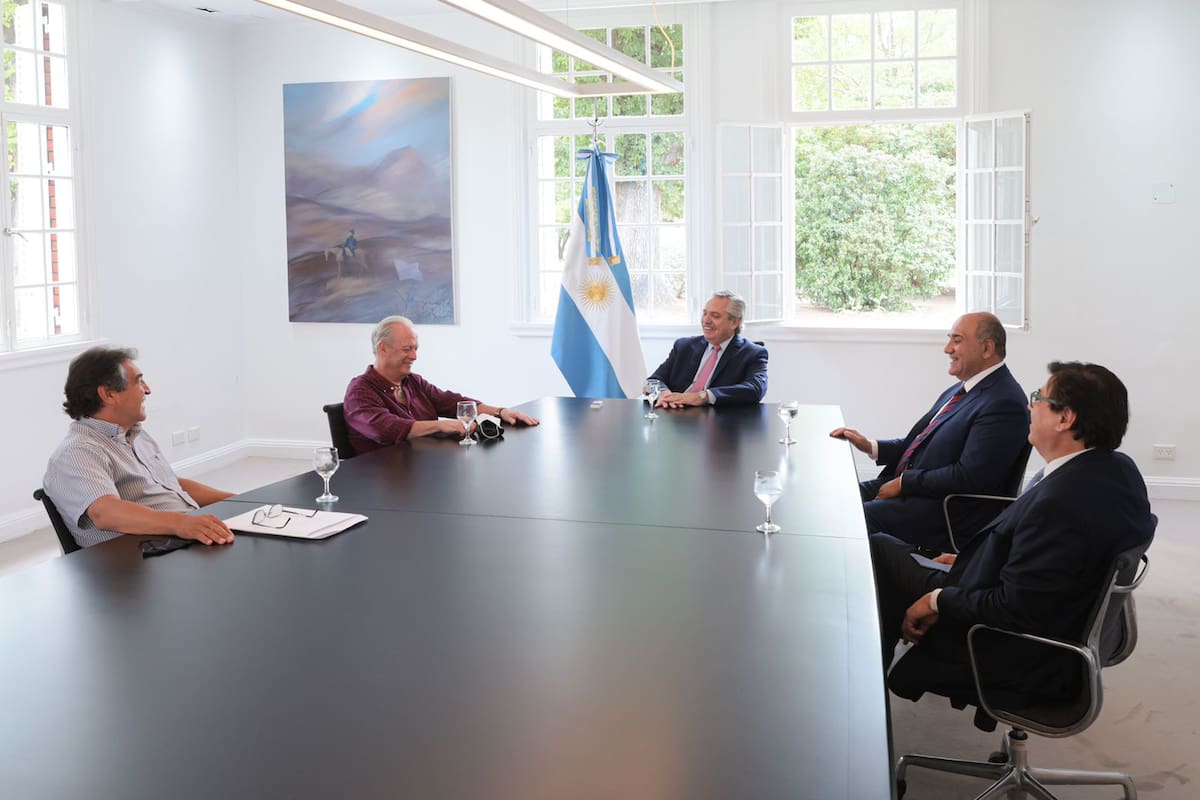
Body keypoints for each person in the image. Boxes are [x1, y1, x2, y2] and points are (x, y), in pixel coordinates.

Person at [871, 361, 1155, 703]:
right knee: (884, 547)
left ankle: (864, 699)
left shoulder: (1059, 503)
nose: (1029, 407)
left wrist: (935, 600)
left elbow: (1013, 608)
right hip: (1044, 612)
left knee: (876, 554)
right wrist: (967, 560)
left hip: (1012, 649)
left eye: (1039, 398)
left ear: (1065, 419)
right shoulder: (1119, 470)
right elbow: (1052, 564)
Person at [830, 312, 1028, 550]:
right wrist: (871, 446)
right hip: (917, 491)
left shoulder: (1004, 402)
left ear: (987, 348)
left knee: (850, 519)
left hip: (944, 511)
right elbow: (924, 443)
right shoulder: (964, 389)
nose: (947, 349)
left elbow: (970, 477)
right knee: (837, 499)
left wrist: (905, 483)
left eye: (957, 340)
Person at [42, 347, 235, 549]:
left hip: (182, 537)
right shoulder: (78, 452)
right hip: (144, 555)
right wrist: (182, 523)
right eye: (139, 382)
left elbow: (170, 486)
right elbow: (105, 513)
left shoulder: (136, 436)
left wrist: (240, 501)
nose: (148, 390)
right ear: (109, 394)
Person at [344, 315, 539, 454]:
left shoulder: (413, 382)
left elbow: (452, 402)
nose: (414, 356)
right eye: (407, 349)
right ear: (383, 348)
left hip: (420, 470)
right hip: (381, 483)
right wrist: (440, 426)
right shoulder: (360, 391)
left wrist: (500, 411)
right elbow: (386, 429)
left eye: (415, 348)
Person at [648, 290, 768, 408]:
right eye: (705, 313)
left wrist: (704, 396)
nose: (706, 320)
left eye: (715, 316)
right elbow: (652, 381)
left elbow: (756, 389)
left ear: (734, 322)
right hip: (675, 412)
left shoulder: (753, 353)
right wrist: (663, 393)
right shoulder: (684, 346)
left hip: (716, 418)